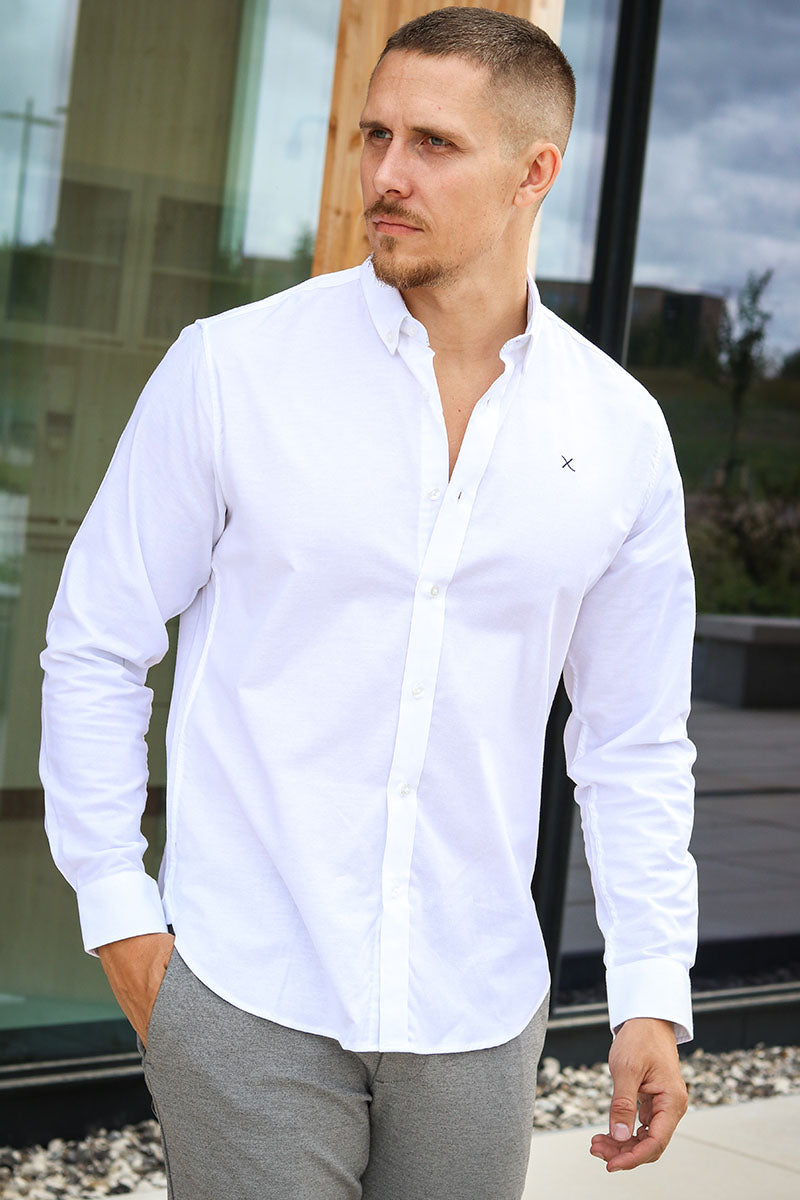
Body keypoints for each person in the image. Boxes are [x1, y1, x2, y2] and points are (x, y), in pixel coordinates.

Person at [40, 7, 697, 1198]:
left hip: (476, 1007)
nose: (386, 175)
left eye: (433, 144)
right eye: (373, 134)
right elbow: (96, 643)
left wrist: (649, 989)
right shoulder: (232, 370)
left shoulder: (617, 433)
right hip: (245, 987)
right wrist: (120, 916)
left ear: (533, 173)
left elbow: (632, 740)